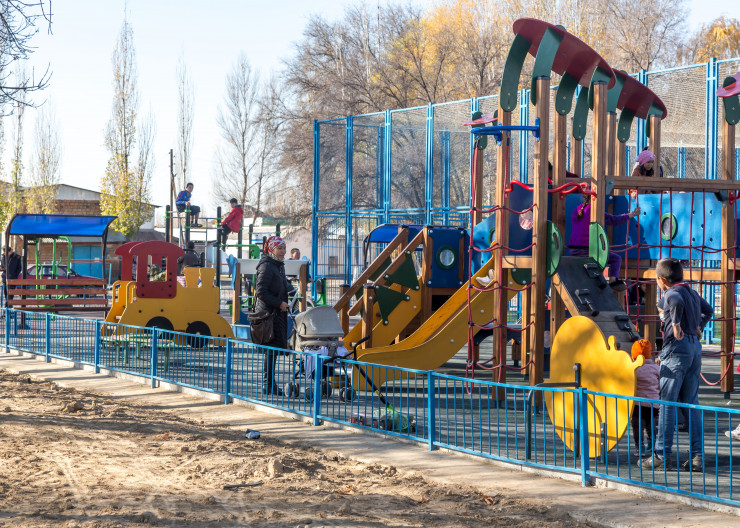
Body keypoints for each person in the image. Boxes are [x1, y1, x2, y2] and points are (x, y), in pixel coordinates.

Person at [640, 258, 713, 472]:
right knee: (691, 403)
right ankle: (697, 455)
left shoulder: (672, 293)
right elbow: (708, 310)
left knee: (667, 403)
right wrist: (699, 326)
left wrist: (677, 324)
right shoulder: (692, 293)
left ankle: (662, 455)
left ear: (662, 280)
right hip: (694, 349)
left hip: (676, 349)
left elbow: (675, 301)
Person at [567, 193, 640, 291]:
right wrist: (632, 214)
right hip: (586, 250)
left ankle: (597, 278)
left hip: (573, 249)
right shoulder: (595, 211)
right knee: (616, 259)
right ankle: (613, 281)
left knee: (599, 257)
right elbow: (613, 220)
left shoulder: (577, 209)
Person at [254, 235, 291, 396]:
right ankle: (267, 384)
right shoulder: (267, 266)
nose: (283, 251)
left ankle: (270, 384)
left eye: (284, 248)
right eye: (279, 248)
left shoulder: (278, 265)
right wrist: (279, 303)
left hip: (276, 314)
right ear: (271, 249)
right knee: (270, 350)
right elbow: (261, 291)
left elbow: (281, 284)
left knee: (273, 351)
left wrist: (291, 291)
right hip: (268, 315)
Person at [630, 339, 660, 456]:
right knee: (651, 425)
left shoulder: (633, 369)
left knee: (637, 427)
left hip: (637, 404)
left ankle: (640, 448)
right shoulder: (656, 368)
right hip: (653, 403)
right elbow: (660, 384)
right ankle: (652, 444)